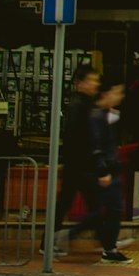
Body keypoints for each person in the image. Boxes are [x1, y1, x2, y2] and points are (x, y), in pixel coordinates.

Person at [49, 63, 100, 256]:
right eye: (92, 81)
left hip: (76, 163)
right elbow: (77, 136)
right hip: (79, 164)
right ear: (81, 83)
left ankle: (50, 240)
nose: (95, 85)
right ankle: (103, 241)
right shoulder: (80, 105)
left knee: (65, 203)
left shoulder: (83, 104)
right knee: (95, 206)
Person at [89, 79, 133, 265]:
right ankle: (109, 248)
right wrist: (102, 171)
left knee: (108, 210)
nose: (120, 97)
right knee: (113, 209)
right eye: (117, 92)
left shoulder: (105, 115)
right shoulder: (97, 117)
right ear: (106, 94)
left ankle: (109, 245)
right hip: (105, 170)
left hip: (108, 169)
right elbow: (96, 146)